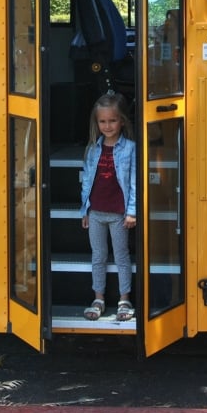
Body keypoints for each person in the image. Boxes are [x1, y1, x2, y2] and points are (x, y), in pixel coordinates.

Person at [80, 92, 137, 321]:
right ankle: (99, 298)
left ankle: (124, 299)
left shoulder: (130, 148)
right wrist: (85, 210)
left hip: (118, 214)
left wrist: (132, 211)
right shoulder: (93, 149)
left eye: (112, 120)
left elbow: (134, 182)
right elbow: (86, 181)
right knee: (98, 256)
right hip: (96, 212)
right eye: (102, 121)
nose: (107, 126)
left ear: (122, 120)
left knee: (122, 256)